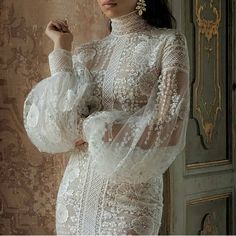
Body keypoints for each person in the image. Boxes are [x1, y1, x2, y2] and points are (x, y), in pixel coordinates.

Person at [23, 0, 190, 234]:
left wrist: (91, 128)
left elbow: (168, 130)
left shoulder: (168, 43)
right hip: (76, 196)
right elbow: (61, 125)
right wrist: (61, 49)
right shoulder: (87, 52)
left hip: (132, 201)